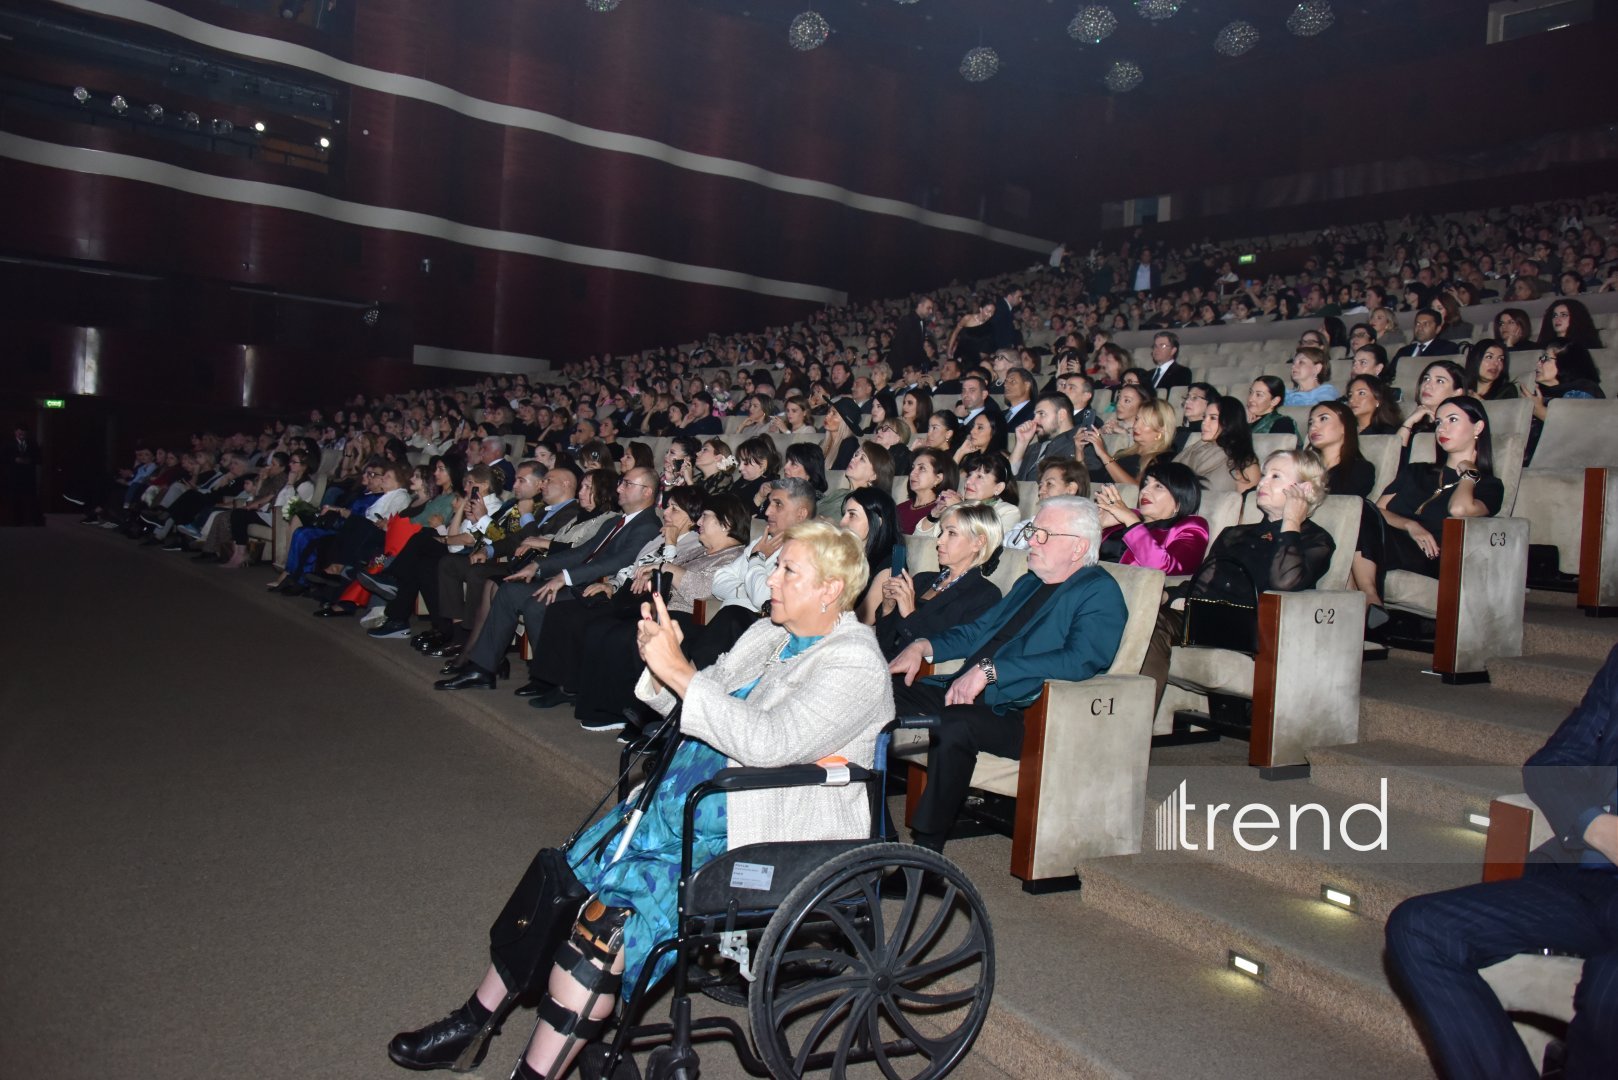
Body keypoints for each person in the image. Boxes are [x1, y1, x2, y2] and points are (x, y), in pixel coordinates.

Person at [387, 521, 893, 1080]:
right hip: (686, 801)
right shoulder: (768, 635)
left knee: (602, 931)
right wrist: (661, 665)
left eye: (786, 569)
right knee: (561, 879)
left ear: (829, 590)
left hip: (759, 828)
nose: (769, 576)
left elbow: (769, 744)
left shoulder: (855, 664)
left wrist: (679, 671)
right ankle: (475, 1020)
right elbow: (698, 698)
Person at [1385, 642, 1618, 1080]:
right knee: (1419, 927)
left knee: (1610, 984)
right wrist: (1597, 828)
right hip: (1579, 876)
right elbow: (1553, 763)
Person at [888, 496, 1126, 851]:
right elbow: (976, 632)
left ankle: (926, 854)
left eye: (1043, 534)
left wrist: (991, 670)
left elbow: (1079, 660)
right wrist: (923, 645)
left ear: (1078, 548)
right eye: (1033, 531)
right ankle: (871, 828)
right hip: (961, 690)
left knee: (954, 724)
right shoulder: (1029, 583)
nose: (1031, 540)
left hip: (1018, 712)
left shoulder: (1099, 592)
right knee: (877, 692)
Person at [531, 494, 751, 732]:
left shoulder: (735, 556)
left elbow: (700, 590)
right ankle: (599, 705)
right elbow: (661, 569)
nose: (699, 523)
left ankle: (636, 714)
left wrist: (664, 568)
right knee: (600, 628)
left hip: (687, 616)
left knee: (622, 636)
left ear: (726, 524)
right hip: (657, 607)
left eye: (705, 517)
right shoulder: (700, 551)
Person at [436, 469, 664, 691]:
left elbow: (615, 562)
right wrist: (537, 565)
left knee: (538, 601)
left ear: (647, 492)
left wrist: (564, 577)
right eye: (621, 483)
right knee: (509, 590)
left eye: (627, 484)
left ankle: (547, 677)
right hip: (580, 580)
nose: (619, 488)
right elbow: (582, 552)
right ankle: (483, 669)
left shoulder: (646, 525)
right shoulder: (618, 522)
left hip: (600, 587)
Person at [1139, 450, 1336, 706]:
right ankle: (1126, 716)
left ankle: (1134, 726)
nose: (1263, 482)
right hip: (1207, 616)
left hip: (1251, 628)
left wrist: (1291, 520)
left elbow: (1285, 583)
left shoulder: (1315, 540)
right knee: (1141, 614)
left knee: (1152, 622)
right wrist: (1167, 595)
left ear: (1303, 488)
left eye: (1276, 476)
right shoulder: (1236, 533)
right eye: (1264, 475)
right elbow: (1204, 582)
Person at [1352, 398, 1504, 618]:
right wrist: (1410, 525)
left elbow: (1460, 509)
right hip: (1391, 540)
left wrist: (1469, 474)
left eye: (1453, 420)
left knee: (1356, 526)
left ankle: (1367, 602)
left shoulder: (1489, 486)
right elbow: (1377, 510)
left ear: (1478, 427)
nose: (1442, 427)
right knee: (1358, 510)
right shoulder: (1416, 471)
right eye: (1439, 421)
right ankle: (1369, 603)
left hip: (1431, 555)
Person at [873, 501, 1004, 661]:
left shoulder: (985, 595)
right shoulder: (921, 579)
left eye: (952, 533)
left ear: (978, 542)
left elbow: (947, 649)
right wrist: (888, 607)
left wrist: (909, 613)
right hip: (884, 664)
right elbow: (884, 642)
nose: (940, 540)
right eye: (942, 532)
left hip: (920, 678)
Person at [1093, 461, 1210, 575]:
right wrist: (1098, 527)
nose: (1144, 490)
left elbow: (1164, 568)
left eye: (1158, 486)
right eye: (1145, 484)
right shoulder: (1125, 515)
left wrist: (1132, 522)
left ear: (1179, 502)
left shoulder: (1192, 526)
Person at [1521, 340, 1606, 462]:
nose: (1538, 363)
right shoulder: (1541, 393)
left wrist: (1540, 411)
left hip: (1571, 468)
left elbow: (1579, 429)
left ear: (1567, 363)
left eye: (1545, 358)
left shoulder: (1584, 389)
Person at [839, 486, 902, 624]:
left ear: (877, 521)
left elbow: (865, 617)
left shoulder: (890, 566)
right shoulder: (842, 553)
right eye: (844, 514)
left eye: (852, 515)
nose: (842, 522)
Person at [1175, 395, 1260, 494]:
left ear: (1229, 421)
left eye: (1213, 418)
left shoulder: (1244, 461)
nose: (1204, 423)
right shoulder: (1195, 449)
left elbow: (1242, 505)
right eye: (1204, 417)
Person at [1083, 398, 1177, 485]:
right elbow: (1094, 477)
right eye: (1137, 419)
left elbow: (1136, 488)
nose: (1136, 426)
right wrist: (1079, 450)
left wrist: (1103, 455)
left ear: (1161, 430)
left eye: (1145, 423)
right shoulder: (1123, 453)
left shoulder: (1161, 459)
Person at [1307, 401, 1377, 498]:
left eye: (1323, 419)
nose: (1313, 427)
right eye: (1311, 422)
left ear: (1345, 427)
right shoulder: (1303, 466)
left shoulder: (1360, 470)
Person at [816, 441, 893, 521]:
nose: (853, 458)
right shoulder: (840, 492)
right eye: (856, 455)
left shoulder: (865, 504)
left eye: (862, 459)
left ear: (873, 476)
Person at [1010, 394, 1079, 482]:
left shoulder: (1080, 444)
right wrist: (1021, 444)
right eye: (1034, 415)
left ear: (1061, 415)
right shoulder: (1034, 448)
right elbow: (1009, 480)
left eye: (1041, 414)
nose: (1034, 421)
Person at [898, 448, 957, 535]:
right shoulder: (899, 508)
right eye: (913, 468)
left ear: (938, 479)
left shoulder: (940, 510)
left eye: (922, 468)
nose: (912, 473)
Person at [7, 426, 42, 527]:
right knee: (15, 500)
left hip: (29, 478)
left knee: (31, 500)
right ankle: (17, 522)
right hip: (14, 478)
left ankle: (33, 521)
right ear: (15, 433)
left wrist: (30, 461)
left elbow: (39, 458)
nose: (21, 435)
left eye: (23, 433)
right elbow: (3, 458)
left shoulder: (32, 444)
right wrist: (14, 460)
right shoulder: (8, 444)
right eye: (19, 433)